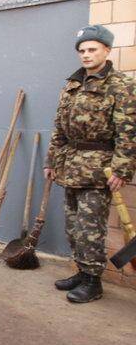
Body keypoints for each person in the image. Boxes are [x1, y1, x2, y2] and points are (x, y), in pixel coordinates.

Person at [45, 25, 136, 303]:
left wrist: (121, 169)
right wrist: (52, 161)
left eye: (92, 49)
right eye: (82, 50)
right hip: (71, 165)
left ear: (106, 50)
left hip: (100, 169)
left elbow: (128, 132)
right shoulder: (72, 84)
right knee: (73, 226)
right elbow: (59, 128)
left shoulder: (121, 85)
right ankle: (82, 272)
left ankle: (93, 281)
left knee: (90, 228)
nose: (86, 55)